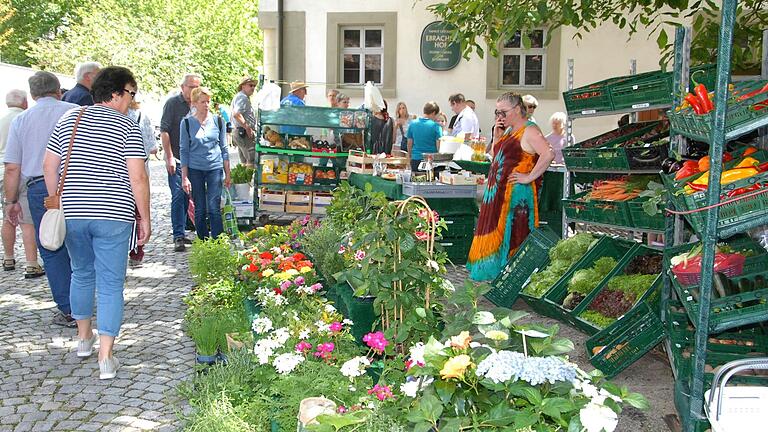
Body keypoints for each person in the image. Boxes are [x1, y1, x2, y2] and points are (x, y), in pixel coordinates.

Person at [43, 66, 151, 379]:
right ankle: (106, 357)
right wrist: (144, 217)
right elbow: (139, 178)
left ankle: (82, 340)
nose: (132, 100)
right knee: (110, 283)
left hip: (73, 212)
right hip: (113, 213)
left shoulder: (69, 119)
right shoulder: (127, 126)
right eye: (130, 93)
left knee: (81, 272)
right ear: (116, 93)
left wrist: (56, 199)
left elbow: (49, 164)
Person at [5, 72, 78, 326]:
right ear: (59, 90)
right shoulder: (78, 111)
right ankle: (93, 295)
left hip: (40, 189)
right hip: (79, 185)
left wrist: (10, 200)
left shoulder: (22, 120)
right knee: (81, 241)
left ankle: (69, 309)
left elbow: (13, 167)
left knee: (51, 246)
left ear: (33, 95)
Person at [467, 92, 554, 281]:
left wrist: (529, 176)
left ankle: (513, 278)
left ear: (516, 109)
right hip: (497, 194)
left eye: (503, 112)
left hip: (515, 197)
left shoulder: (530, 130)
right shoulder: (508, 130)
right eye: (497, 112)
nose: (500, 116)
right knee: (497, 234)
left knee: (514, 235)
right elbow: (495, 155)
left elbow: (548, 153)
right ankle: (498, 277)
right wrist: (496, 137)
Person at [1, 90, 45, 278]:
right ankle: (31, 263)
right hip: (21, 172)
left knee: (7, 217)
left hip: (2, 172)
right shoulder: (28, 119)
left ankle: (8, 257)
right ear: (25, 102)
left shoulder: (2, 119)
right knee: (26, 221)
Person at [180, 87, 230, 240]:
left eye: (208, 102)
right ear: (194, 103)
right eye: (203, 102)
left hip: (214, 167)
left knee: (214, 206)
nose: (206, 105)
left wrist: (228, 172)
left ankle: (218, 240)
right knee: (200, 208)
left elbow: (224, 148)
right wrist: (184, 177)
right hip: (195, 169)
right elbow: (184, 150)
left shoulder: (218, 121)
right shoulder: (187, 123)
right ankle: (203, 240)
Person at [161, 73, 201, 252]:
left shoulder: (199, 104)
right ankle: (178, 235)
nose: (194, 90)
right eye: (191, 86)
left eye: (197, 87)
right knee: (178, 194)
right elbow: (164, 131)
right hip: (177, 158)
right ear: (183, 87)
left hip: (196, 159)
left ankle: (188, 228)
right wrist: (169, 156)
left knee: (189, 195)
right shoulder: (173, 104)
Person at [127, 100, 158, 267]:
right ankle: (136, 251)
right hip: (139, 168)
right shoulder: (141, 116)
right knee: (139, 211)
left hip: (116, 174)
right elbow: (152, 147)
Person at [406, 102, 443, 172]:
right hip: (431, 160)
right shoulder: (436, 127)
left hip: (416, 158)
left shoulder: (412, 124)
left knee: (416, 181)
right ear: (433, 113)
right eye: (437, 115)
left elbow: (409, 143)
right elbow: (439, 146)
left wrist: (410, 156)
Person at [231, 77, 258, 168]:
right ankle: (248, 181)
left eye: (254, 86)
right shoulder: (242, 97)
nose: (253, 88)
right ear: (243, 86)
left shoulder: (240, 96)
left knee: (244, 162)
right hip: (243, 132)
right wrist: (247, 127)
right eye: (250, 85)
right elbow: (237, 114)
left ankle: (243, 181)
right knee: (251, 161)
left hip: (240, 131)